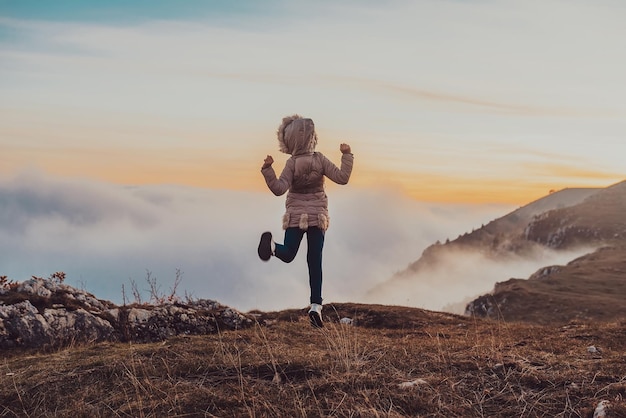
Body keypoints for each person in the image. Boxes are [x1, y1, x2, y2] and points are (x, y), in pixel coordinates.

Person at [258, 114, 354, 328]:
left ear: (289, 141)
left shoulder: (292, 164)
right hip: (317, 217)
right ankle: (315, 307)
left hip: (295, 216)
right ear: (312, 138)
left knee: (289, 253)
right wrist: (347, 155)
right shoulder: (320, 159)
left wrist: (268, 170)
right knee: (315, 260)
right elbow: (342, 178)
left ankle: (273, 247)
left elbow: (278, 189)